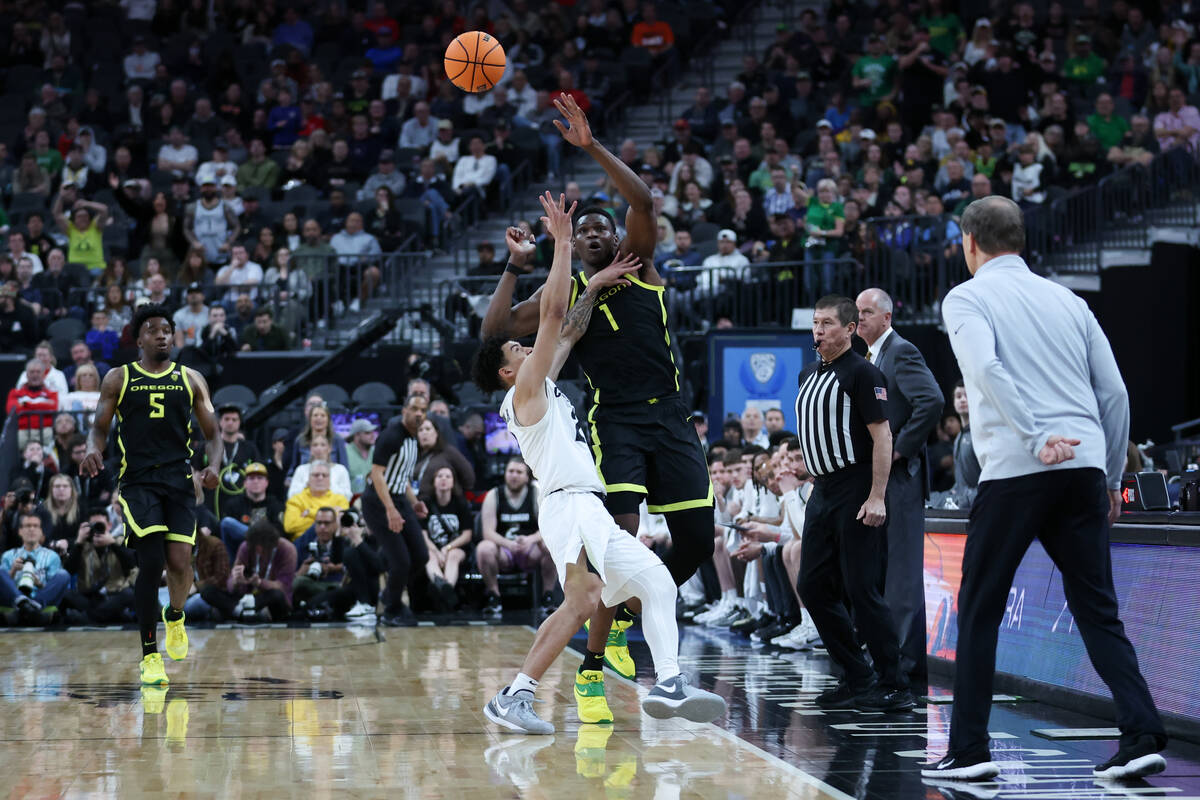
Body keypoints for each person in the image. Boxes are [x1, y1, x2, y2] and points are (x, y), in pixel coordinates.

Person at [922, 196, 1166, 782]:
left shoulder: (968, 296)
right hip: (1083, 471)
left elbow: (983, 370)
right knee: (1098, 612)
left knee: (978, 611)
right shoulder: (1069, 300)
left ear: (969, 243)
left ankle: (971, 752)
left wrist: (1034, 437)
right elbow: (1115, 395)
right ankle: (1141, 734)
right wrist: (1110, 476)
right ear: (1021, 241)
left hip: (1016, 471)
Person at [481, 94, 715, 686]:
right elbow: (495, 335)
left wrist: (591, 148)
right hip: (614, 420)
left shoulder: (643, 264)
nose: (588, 234)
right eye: (580, 230)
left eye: (597, 228)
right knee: (623, 528)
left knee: (695, 542)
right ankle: (598, 648)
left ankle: (628, 609)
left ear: (615, 240)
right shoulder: (564, 298)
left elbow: (644, 199)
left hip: (671, 415)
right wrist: (513, 266)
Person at [80, 303, 222, 687]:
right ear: (139, 338)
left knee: (180, 560)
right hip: (138, 482)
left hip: (179, 480)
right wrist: (93, 448)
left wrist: (214, 467)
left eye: (167, 330)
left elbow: (213, 434)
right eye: (154, 330)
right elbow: (99, 428)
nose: (162, 335)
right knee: (152, 560)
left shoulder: (191, 378)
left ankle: (174, 616)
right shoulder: (118, 378)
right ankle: (149, 655)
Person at [794, 295, 914, 713]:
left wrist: (877, 495)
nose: (819, 330)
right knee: (811, 585)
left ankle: (894, 681)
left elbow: (883, 437)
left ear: (849, 329)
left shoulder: (864, 373)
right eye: (815, 323)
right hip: (822, 489)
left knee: (862, 588)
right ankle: (857, 675)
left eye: (827, 323)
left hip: (856, 484)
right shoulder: (808, 373)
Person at [855, 288, 943, 690]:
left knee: (904, 578)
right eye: (857, 313)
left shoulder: (902, 351)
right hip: (881, 478)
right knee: (884, 574)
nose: (861, 319)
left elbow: (931, 401)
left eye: (868, 312)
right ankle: (890, 663)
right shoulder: (873, 357)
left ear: (887, 317)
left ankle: (906, 669)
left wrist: (900, 452)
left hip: (902, 479)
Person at [360, 395, 429, 626]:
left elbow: (402, 476)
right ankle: (391, 610)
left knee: (421, 555)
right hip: (378, 503)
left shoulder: (413, 438)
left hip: (400, 498)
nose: (418, 413)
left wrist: (415, 501)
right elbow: (377, 475)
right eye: (414, 409)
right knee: (401, 563)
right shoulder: (391, 436)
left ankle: (389, 593)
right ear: (404, 410)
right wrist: (390, 510)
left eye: (423, 410)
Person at [476, 456, 556, 617]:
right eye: (510, 471)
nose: (514, 475)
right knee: (484, 548)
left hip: (531, 550)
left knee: (551, 545)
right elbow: (487, 532)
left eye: (519, 472)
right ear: (505, 474)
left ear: (527, 476)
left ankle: (548, 596)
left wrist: (530, 539)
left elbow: (549, 528)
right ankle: (494, 596)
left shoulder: (536, 492)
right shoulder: (494, 495)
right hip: (504, 551)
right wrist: (508, 543)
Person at [0, 512, 69, 625]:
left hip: (40, 598)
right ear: (20, 531)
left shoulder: (52, 556)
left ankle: (32, 606)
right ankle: (23, 603)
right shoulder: (9, 555)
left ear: (41, 532)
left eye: (35, 526)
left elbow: (53, 589)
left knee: (63, 575)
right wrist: (13, 571)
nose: (32, 529)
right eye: (27, 526)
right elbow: (3, 586)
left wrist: (39, 584)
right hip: (13, 600)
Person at [421, 466, 473, 601]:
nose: (443, 479)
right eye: (439, 476)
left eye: (448, 476)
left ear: (453, 482)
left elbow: (467, 535)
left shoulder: (461, 503)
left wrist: (447, 548)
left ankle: (444, 589)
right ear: (433, 481)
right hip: (432, 548)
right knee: (429, 556)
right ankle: (446, 591)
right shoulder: (425, 503)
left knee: (453, 555)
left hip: (455, 548)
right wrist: (437, 552)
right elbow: (423, 535)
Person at [218, 462, 284, 561]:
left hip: (267, 551)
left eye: (260, 478)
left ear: (267, 482)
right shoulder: (233, 504)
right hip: (238, 552)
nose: (256, 481)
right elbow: (225, 533)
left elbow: (279, 532)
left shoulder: (275, 505)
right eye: (251, 478)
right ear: (244, 483)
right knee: (227, 523)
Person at [283, 461, 349, 540]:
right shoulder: (296, 500)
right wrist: (330, 518)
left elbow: (343, 524)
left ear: (329, 479)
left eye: (324, 475)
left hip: (333, 542)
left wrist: (310, 512)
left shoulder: (340, 500)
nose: (320, 478)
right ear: (309, 479)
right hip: (303, 544)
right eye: (316, 475)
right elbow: (290, 526)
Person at [8, 359, 59, 450]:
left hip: (45, 431)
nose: (35, 375)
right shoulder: (15, 393)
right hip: (23, 431)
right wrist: (43, 405)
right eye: (32, 372)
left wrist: (25, 405)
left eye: (38, 372)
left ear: (44, 374)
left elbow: (53, 408)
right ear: (26, 374)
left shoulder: (52, 394)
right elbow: (12, 410)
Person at [288, 435, 352, 499]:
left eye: (323, 445)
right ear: (311, 450)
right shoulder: (301, 470)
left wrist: (328, 485)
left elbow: (347, 496)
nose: (319, 448)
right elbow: (291, 495)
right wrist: (307, 485)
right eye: (315, 445)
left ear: (329, 449)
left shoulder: (341, 470)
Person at [344, 418, 377, 496]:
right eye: (368, 433)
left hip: (375, 499)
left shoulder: (376, 451)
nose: (373, 435)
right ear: (357, 435)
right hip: (352, 500)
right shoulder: (344, 452)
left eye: (373, 432)